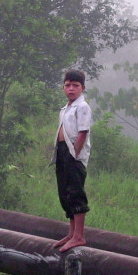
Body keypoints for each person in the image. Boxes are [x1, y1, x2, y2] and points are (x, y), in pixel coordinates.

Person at [52, 68, 91, 252]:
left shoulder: (82, 107)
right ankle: (72, 232)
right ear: (63, 87)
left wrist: (75, 154)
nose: (71, 89)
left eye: (75, 86)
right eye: (68, 85)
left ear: (82, 88)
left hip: (74, 153)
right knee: (65, 191)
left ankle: (79, 236)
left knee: (75, 191)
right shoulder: (65, 108)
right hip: (62, 151)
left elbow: (83, 132)